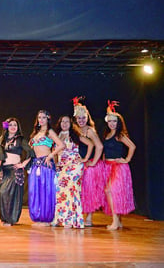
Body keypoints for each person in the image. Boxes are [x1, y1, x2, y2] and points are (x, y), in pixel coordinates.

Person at [51, 116, 94, 229]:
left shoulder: (74, 135)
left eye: (67, 122)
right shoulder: (58, 135)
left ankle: (71, 220)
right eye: (62, 121)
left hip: (74, 166)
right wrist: (56, 163)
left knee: (72, 191)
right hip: (62, 167)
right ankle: (61, 218)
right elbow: (55, 152)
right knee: (61, 192)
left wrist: (85, 159)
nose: (64, 124)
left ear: (71, 123)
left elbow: (91, 144)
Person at [102, 101, 136, 230]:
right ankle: (118, 221)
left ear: (118, 122)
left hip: (118, 167)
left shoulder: (119, 135)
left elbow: (132, 146)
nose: (112, 124)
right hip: (108, 166)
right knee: (111, 192)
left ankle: (115, 221)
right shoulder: (107, 134)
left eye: (114, 121)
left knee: (110, 191)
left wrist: (126, 159)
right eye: (110, 121)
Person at [72, 97, 105, 227]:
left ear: (87, 118)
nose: (81, 121)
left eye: (83, 118)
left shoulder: (90, 130)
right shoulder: (74, 130)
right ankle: (78, 215)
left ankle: (89, 217)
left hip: (89, 165)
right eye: (79, 118)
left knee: (89, 192)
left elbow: (100, 146)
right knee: (79, 191)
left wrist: (92, 161)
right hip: (78, 164)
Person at [28, 110, 65, 226]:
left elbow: (61, 145)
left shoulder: (50, 132)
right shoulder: (35, 133)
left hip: (46, 164)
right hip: (36, 164)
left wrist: (50, 156)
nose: (41, 120)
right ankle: (38, 217)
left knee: (46, 191)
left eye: (44, 117)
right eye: (39, 117)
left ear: (48, 119)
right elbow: (31, 149)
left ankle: (46, 218)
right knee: (35, 191)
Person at [0, 117, 34, 226]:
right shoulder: (2, 140)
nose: (13, 127)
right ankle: (5, 218)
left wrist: (22, 164)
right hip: (5, 170)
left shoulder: (20, 140)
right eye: (10, 125)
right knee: (2, 193)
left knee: (10, 193)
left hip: (15, 170)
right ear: (6, 127)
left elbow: (31, 152)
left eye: (15, 125)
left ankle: (11, 219)